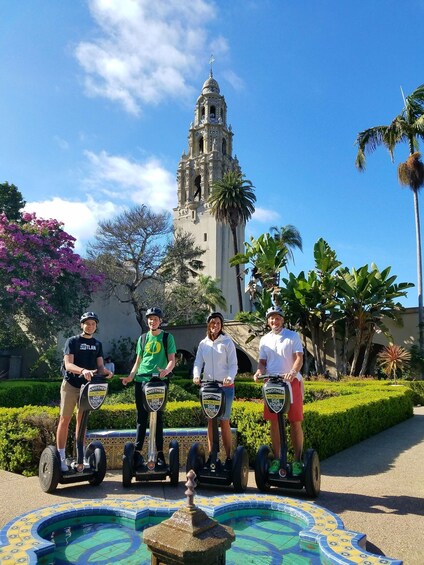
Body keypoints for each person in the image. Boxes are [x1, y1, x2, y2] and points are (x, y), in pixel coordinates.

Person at [57, 312, 113, 472]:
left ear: (96, 326)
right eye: (87, 323)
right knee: (65, 419)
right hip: (71, 384)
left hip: (87, 387)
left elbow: (100, 367)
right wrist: (83, 370)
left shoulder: (97, 344)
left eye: (93, 324)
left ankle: (79, 456)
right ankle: (61, 457)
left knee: (82, 422)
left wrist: (107, 372)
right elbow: (68, 365)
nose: (90, 326)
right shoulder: (72, 341)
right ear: (82, 325)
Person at [121, 307, 176, 466]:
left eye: (156, 319)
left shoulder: (167, 337)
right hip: (142, 380)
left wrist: (166, 370)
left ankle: (159, 453)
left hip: (160, 381)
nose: (153, 321)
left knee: (158, 417)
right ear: (147, 321)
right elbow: (138, 361)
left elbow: (172, 359)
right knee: (141, 417)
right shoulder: (143, 338)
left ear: (160, 321)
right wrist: (131, 376)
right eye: (150, 319)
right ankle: (137, 452)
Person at [254, 306, 304, 476]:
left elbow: (299, 358)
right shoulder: (265, 340)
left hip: (291, 383)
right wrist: (259, 372)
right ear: (268, 321)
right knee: (274, 422)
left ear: (282, 319)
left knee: (295, 421)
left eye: (277, 318)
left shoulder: (292, 336)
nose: (274, 321)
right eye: (271, 318)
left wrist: (292, 372)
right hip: (272, 385)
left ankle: (297, 461)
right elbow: (262, 362)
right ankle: (277, 458)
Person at [193, 311, 238, 470]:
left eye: (218, 323)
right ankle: (213, 457)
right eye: (213, 323)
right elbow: (198, 362)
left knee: (224, 421)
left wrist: (229, 378)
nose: (215, 326)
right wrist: (197, 375)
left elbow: (233, 365)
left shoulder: (227, 342)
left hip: (224, 387)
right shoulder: (203, 343)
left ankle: (229, 457)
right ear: (208, 325)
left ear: (221, 325)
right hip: (208, 387)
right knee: (211, 421)